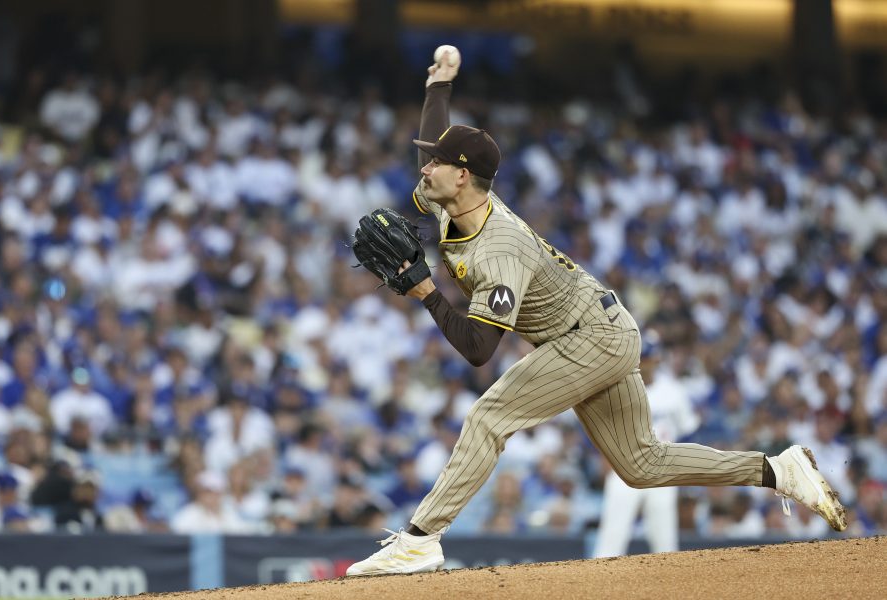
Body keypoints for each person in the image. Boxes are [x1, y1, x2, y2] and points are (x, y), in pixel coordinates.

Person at [346, 47, 847, 577]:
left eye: (437, 164)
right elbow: (437, 145)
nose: (423, 169)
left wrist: (426, 291)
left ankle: (422, 538)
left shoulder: (499, 251)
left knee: (489, 417)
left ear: (464, 176)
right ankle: (778, 470)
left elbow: (477, 350)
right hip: (600, 326)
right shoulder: (450, 200)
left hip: (590, 337)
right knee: (641, 465)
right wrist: (438, 87)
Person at [592, 330, 699, 557]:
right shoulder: (617, 388)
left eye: (646, 358)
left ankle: (669, 589)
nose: (642, 363)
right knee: (612, 537)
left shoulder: (674, 391)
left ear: (656, 359)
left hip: (662, 472)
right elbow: (601, 428)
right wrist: (605, 460)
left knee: (665, 541)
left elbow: (689, 432)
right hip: (625, 468)